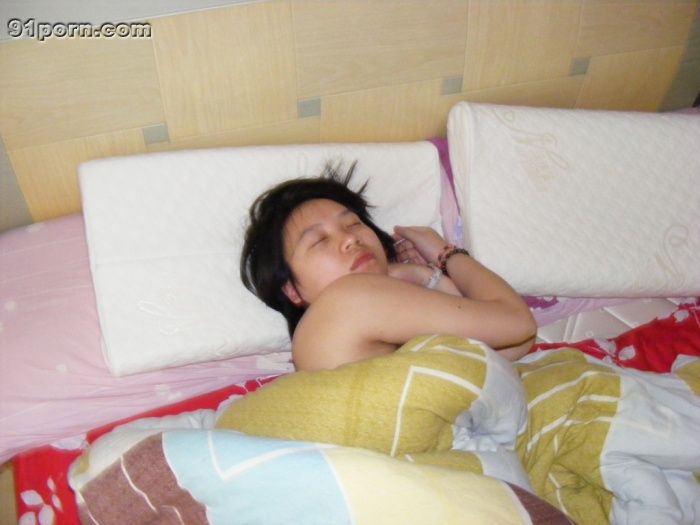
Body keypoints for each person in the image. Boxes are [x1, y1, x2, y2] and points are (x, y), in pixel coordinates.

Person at [241, 162, 536, 371]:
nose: (350, 239)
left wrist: (424, 276)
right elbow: (517, 325)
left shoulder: (346, 329)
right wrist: (445, 253)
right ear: (292, 291)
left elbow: (508, 347)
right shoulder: (349, 299)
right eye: (319, 241)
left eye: (353, 224)